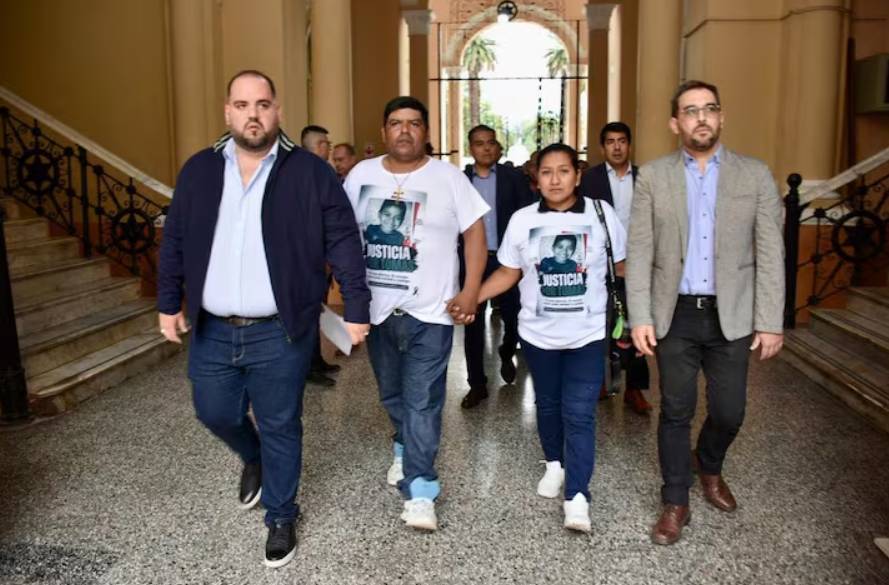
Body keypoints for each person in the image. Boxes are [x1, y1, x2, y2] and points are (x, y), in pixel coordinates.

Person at [157, 70, 370, 569]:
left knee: (281, 424)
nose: (252, 114)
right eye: (242, 105)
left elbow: (343, 239)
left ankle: (281, 515)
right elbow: (176, 239)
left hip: (280, 329)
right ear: (227, 111)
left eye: (262, 104)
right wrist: (168, 302)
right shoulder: (200, 170)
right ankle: (253, 456)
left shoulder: (310, 172)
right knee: (214, 412)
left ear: (277, 110)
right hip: (212, 328)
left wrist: (356, 308)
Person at [626, 80, 784, 546]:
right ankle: (676, 499)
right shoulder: (653, 177)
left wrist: (770, 321)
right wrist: (640, 316)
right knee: (676, 409)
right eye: (690, 110)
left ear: (721, 117)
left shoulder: (754, 174)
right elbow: (640, 251)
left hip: (731, 315)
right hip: (674, 313)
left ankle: (709, 465)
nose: (701, 118)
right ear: (675, 123)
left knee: (730, 411)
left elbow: (770, 252)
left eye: (709, 109)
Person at [343, 96, 488, 531]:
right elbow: (342, 235)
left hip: (432, 311)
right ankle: (404, 446)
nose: (404, 130)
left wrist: (471, 291)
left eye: (413, 123)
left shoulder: (449, 178)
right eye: (396, 123)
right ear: (384, 131)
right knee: (392, 394)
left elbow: (475, 235)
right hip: (377, 311)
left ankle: (421, 488)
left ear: (426, 131)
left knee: (423, 400)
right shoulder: (360, 175)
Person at [476, 143, 626, 533]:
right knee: (547, 404)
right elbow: (509, 272)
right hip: (538, 335)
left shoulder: (600, 214)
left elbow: (622, 267)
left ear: (577, 175)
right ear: (536, 178)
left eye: (563, 171)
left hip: (588, 334)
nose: (555, 180)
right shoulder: (522, 220)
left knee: (579, 412)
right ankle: (554, 464)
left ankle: (577, 496)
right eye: (546, 172)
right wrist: (471, 297)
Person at [459, 124, 535, 409]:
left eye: (490, 142)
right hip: (471, 261)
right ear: (471, 148)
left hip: (508, 261)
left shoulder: (513, 178)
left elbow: (528, 216)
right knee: (472, 323)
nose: (486, 148)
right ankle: (477, 384)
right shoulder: (460, 181)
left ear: (498, 147)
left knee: (515, 317)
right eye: (479, 143)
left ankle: (507, 349)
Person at [580, 121, 653, 414]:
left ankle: (634, 389)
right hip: (602, 263)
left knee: (637, 323)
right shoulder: (590, 180)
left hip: (638, 262)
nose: (617, 147)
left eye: (622, 141)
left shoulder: (645, 177)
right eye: (610, 142)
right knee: (603, 322)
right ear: (603, 148)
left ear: (629, 145)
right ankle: (601, 379)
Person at [301, 124, 340, 386]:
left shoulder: (321, 170)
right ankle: (308, 367)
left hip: (320, 254)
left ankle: (316, 361)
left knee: (317, 311)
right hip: (309, 257)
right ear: (318, 146)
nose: (330, 148)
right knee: (308, 313)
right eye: (327, 143)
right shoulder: (307, 172)